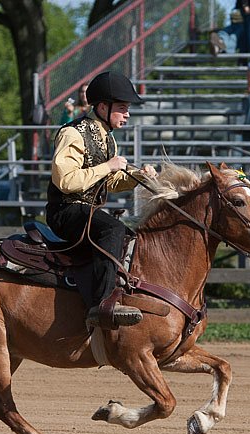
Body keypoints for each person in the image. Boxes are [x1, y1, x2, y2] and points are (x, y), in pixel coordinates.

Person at [46, 72, 156, 329]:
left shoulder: (108, 138)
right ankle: (101, 305)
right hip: (65, 211)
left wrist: (138, 177)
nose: (127, 114)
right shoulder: (72, 134)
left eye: (127, 109)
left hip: (86, 211)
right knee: (113, 229)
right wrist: (108, 166)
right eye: (122, 108)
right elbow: (65, 181)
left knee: (128, 236)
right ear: (103, 107)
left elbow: (109, 183)